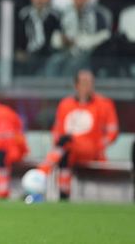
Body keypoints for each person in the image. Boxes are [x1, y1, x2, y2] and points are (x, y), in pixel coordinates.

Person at [39, 70, 119, 200]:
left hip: (91, 148)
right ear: (76, 85)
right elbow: (57, 131)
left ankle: (41, 173)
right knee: (65, 148)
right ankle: (64, 193)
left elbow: (112, 132)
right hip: (68, 148)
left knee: (64, 145)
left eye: (90, 82)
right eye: (84, 82)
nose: (88, 86)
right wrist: (59, 141)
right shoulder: (65, 104)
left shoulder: (104, 104)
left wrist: (98, 145)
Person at [46, 0, 112, 76]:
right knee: (54, 62)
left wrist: (86, 42)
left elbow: (105, 34)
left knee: (75, 64)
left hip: (90, 51)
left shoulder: (97, 14)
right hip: (67, 50)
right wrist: (63, 40)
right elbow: (56, 34)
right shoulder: (64, 13)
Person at [15, 0, 61, 73]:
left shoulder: (55, 15)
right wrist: (20, 49)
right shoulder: (24, 15)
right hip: (29, 53)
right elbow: (18, 34)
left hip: (50, 54)